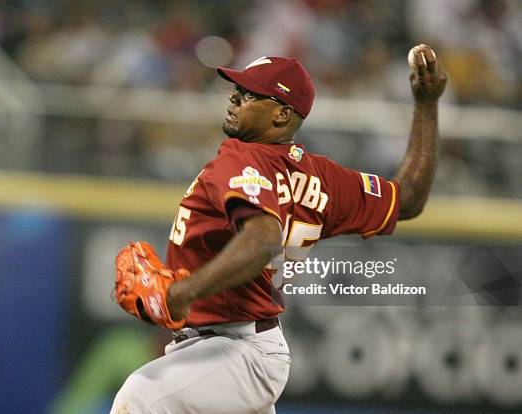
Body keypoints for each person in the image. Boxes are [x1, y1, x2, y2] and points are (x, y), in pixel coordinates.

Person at [111, 46, 447, 414]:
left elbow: (263, 240)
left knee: (140, 397)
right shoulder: (324, 179)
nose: (236, 97)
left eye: (251, 94)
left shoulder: (242, 156)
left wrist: (180, 294)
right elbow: (409, 199)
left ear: (282, 114)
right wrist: (427, 105)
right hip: (238, 352)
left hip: (234, 351)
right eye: (238, 89)